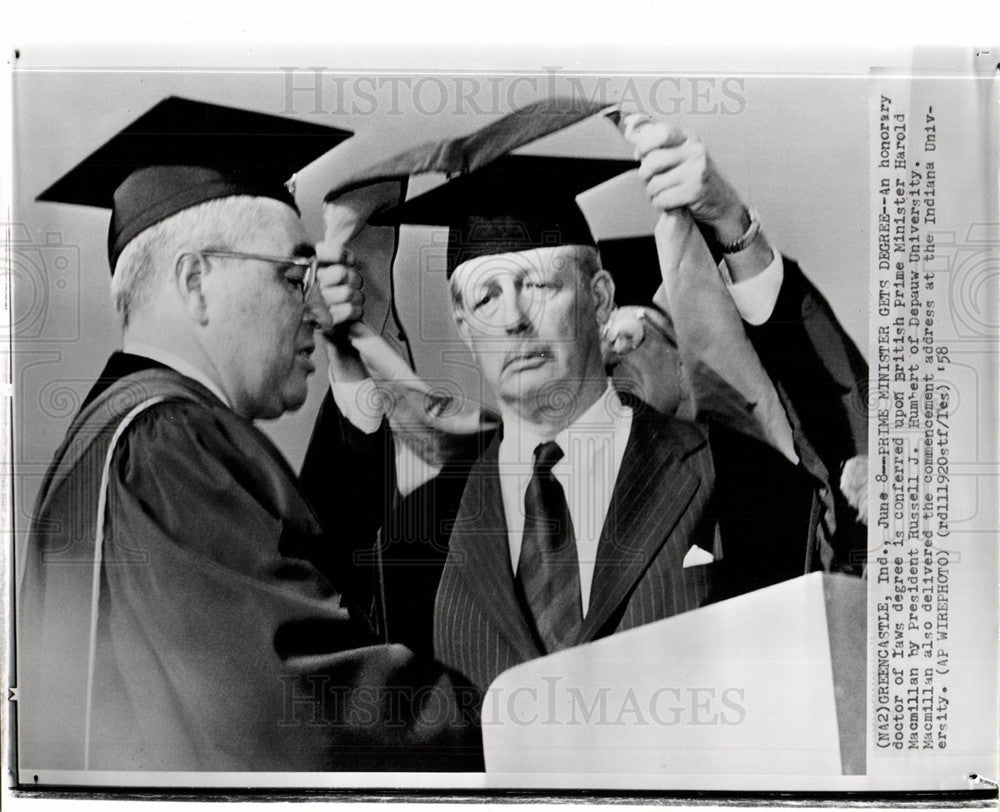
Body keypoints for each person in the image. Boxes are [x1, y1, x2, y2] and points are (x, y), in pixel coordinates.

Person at [303, 116, 867, 694]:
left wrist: (734, 228)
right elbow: (324, 615)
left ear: (599, 300)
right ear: (464, 328)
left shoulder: (739, 475)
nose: (514, 318)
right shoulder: (416, 536)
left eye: (540, 285)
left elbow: (847, 474)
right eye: (486, 297)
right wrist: (350, 356)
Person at [17, 97, 482, 774]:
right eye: (293, 276)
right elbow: (297, 702)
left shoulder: (114, 438)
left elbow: (294, 584)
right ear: (196, 280)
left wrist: (354, 382)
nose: (316, 306)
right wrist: (511, 719)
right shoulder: (168, 443)